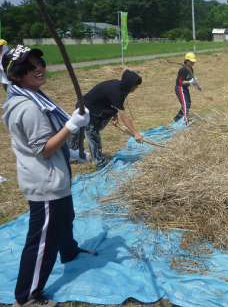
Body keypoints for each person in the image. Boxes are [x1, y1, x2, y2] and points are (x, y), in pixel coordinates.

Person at [2, 45, 97, 307]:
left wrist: (72, 154)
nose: (39, 69)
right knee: (42, 241)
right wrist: (71, 127)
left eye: (40, 63)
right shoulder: (28, 107)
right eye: (30, 67)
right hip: (44, 182)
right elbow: (43, 149)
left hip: (57, 176)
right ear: (16, 75)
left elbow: (51, 143)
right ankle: (27, 296)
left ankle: (69, 252)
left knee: (65, 219)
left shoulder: (36, 96)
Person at [67, 69, 143, 170]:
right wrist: (136, 133)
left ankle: (65, 152)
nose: (136, 87)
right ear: (130, 84)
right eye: (135, 85)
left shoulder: (120, 87)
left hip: (89, 108)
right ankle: (101, 164)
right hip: (87, 110)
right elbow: (124, 117)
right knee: (93, 136)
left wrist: (114, 115)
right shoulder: (116, 91)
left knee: (78, 132)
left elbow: (111, 102)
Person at [173, 52, 201, 124]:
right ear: (186, 60)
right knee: (185, 105)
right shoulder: (183, 69)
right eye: (191, 61)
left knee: (188, 103)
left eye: (193, 61)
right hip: (180, 88)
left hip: (185, 88)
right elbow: (180, 82)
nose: (192, 63)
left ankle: (177, 118)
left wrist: (197, 86)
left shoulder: (190, 69)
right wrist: (190, 82)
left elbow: (191, 79)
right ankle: (186, 121)